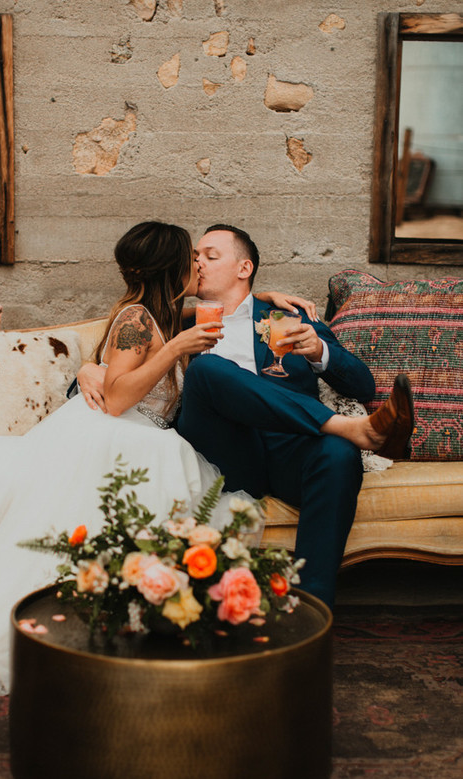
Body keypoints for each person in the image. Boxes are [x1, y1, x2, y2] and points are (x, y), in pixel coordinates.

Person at [0, 221, 261, 705]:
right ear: (171, 267)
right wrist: (172, 350)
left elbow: (229, 306)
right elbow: (116, 397)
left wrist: (265, 296)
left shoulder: (162, 314)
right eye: (190, 259)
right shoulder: (137, 319)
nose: (198, 265)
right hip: (114, 432)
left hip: (135, 433)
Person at [175, 224, 414, 608]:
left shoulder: (289, 316)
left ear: (244, 268)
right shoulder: (177, 324)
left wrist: (319, 350)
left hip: (289, 448)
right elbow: (122, 364)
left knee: (338, 454)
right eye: (195, 257)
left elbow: (363, 385)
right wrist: (87, 373)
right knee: (207, 370)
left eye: (210, 255)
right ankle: (349, 429)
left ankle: (309, 608)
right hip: (220, 453)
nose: (198, 262)